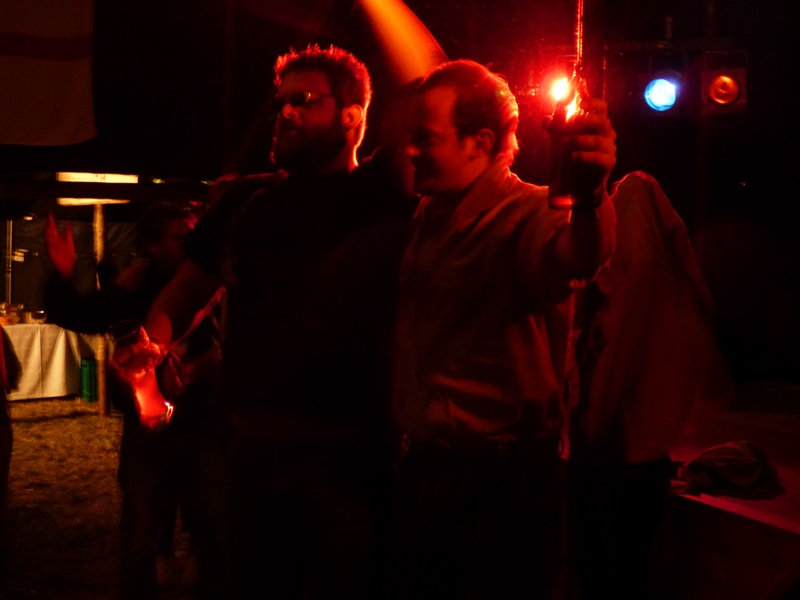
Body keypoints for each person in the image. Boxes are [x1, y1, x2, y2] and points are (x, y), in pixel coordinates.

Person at [134, 5, 446, 597]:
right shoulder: (245, 202)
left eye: (305, 101)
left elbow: (430, 84)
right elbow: (184, 292)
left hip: (349, 465)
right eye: (282, 101)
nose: (286, 112)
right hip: (248, 457)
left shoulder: (380, 191)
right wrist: (151, 348)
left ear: (353, 118)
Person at [388, 59, 617, 599]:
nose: (410, 150)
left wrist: (589, 198)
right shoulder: (430, 214)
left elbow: (576, 256)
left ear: (480, 143)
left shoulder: (528, 214)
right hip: (426, 473)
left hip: (500, 493)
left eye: (426, 138)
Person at [43, 205, 227, 600]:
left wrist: (200, 368)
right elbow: (80, 314)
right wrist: (62, 271)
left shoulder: (216, 280)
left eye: (193, 236)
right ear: (153, 245)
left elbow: (232, 342)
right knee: (140, 537)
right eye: (180, 237)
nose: (191, 245)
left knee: (214, 532)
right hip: (149, 434)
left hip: (204, 426)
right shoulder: (138, 286)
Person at [565, 171, 733, 599]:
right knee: (618, 574)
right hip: (622, 468)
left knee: (614, 576)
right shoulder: (648, 302)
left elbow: (613, 392)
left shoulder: (640, 305)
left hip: (616, 470)